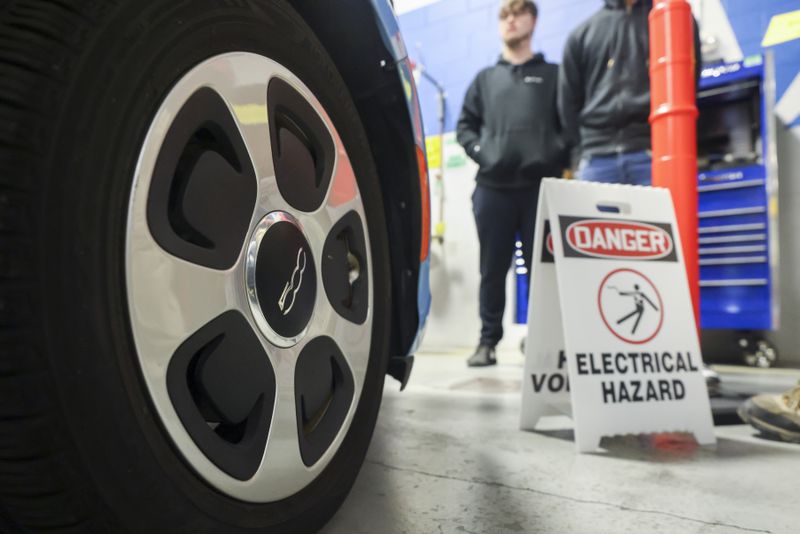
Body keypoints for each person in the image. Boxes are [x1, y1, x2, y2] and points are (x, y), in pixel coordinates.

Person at [457, 0, 567, 367]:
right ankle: (488, 342)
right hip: (492, 189)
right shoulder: (486, 79)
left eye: (518, 13)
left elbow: (570, 124)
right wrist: (483, 152)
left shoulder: (553, 74)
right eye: (504, 15)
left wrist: (558, 156)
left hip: (540, 188)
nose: (511, 20)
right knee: (492, 269)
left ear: (533, 20)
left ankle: (543, 340)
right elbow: (465, 126)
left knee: (543, 269)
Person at [558, 0, 701, 185]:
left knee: (662, 215)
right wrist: (582, 151)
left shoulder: (669, 20)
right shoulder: (581, 35)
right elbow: (568, 102)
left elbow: (686, 85)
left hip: (654, 152)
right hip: (596, 158)